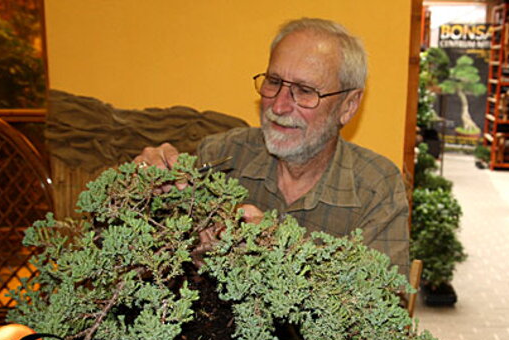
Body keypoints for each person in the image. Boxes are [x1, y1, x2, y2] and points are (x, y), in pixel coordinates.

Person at [135, 18, 410, 275]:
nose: (278, 106)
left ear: (348, 106)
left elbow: (382, 308)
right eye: (274, 82)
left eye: (305, 91)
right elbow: (145, 255)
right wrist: (142, 192)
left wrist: (286, 251)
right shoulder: (222, 155)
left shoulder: (376, 186)